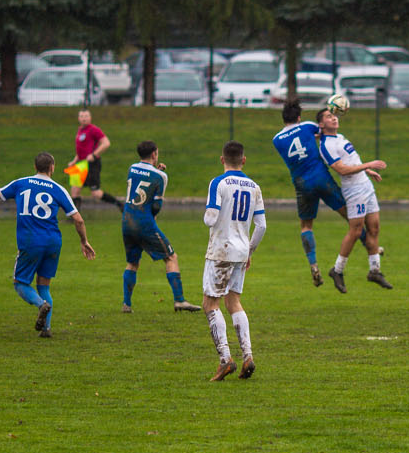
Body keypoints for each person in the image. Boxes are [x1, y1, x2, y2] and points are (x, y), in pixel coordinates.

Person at [0, 152, 96, 337]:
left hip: (31, 241)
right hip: (53, 242)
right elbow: (78, 220)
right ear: (52, 168)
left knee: (20, 283)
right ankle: (46, 329)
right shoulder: (58, 189)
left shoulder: (21, 183)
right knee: (44, 286)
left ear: (35, 167)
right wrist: (84, 241)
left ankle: (40, 305)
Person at [202, 141, 266, 381]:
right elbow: (261, 226)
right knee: (233, 302)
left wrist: (210, 216)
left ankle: (225, 359)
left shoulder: (218, 183)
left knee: (210, 304)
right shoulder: (254, 187)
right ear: (244, 160)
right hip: (241, 251)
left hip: (221, 250)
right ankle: (248, 355)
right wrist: (249, 251)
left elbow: (210, 218)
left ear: (222, 160)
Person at [272, 101, 348, 287]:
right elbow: (323, 132)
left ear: (284, 118)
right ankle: (371, 247)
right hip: (321, 177)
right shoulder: (307, 126)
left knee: (306, 225)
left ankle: (313, 265)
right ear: (299, 117)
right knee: (350, 216)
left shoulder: (277, 139)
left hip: (301, 183)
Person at [318, 107, 391, 292]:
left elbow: (352, 160)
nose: (334, 118)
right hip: (354, 190)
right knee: (356, 230)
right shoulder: (326, 145)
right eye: (328, 117)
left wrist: (368, 170)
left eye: (334, 115)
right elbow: (342, 169)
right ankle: (337, 270)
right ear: (321, 124)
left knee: (374, 228)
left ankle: (375, 270)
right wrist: (368, 164)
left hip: (366, 185)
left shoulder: (340, 137)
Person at [121, 140, 198, 313]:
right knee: (171, 257)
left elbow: (142, 182)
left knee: (132, 263)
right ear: (154, 154)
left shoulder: (132, 168)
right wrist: (160, 174)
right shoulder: (161, 177)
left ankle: (126, 304)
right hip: (144, 223)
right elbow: (156, 206)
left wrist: (157, 171)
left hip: (127, 221)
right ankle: (179, 300)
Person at [70, 109, 124, 210]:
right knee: (74, 190)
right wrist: (74, 160)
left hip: (92, 164)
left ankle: (119, 204)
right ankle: (75, 217)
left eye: (86, 116)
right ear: (78, 118)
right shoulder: (80, 130)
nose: (84, 118)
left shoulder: (93, 129)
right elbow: (81, 149)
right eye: (81, 116)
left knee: (96, 193)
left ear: (90, 118)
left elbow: (106, 143)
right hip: (80, 164)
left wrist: (94, 155)